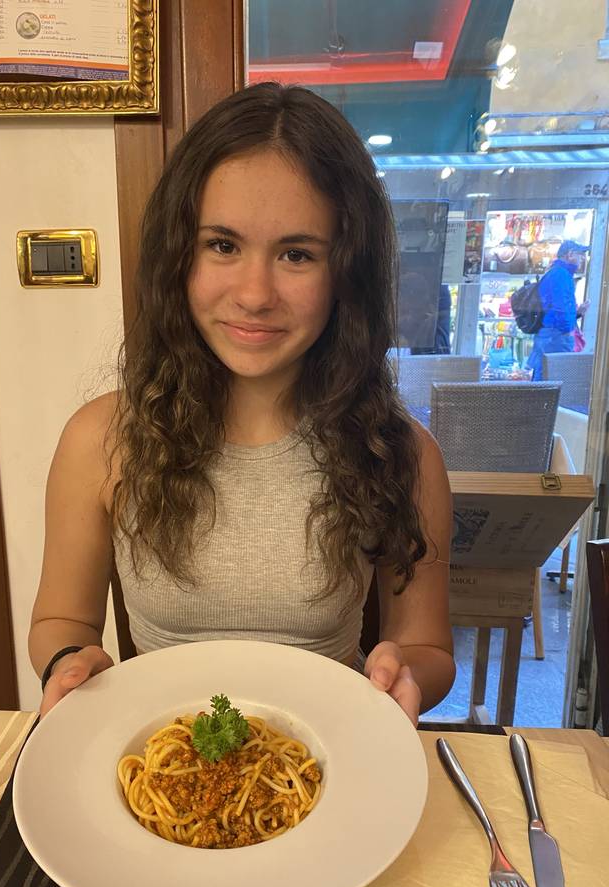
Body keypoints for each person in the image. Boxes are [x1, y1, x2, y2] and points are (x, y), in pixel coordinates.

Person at [29, 83, 456, 727]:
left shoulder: (403, 454)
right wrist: (69, 658)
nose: (255, 295)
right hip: (163, 763)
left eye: (296, 254)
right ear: (179, 256)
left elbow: (428, 647)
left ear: (345, 273)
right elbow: (61, 618)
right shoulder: (102, 437)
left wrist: (407, 671)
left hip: (327, 766)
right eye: (222, 245)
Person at [526, 239, 589, 381]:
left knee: (543, 378)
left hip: (548, 335)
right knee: (551, 381)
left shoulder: (556, 273)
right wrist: (569, 332)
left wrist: (577, 314)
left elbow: (556, 308)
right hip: (556, 338)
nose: (582, 258)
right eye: (580, 254)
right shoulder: (562, 275)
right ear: (570, 254)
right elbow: (560, 311)